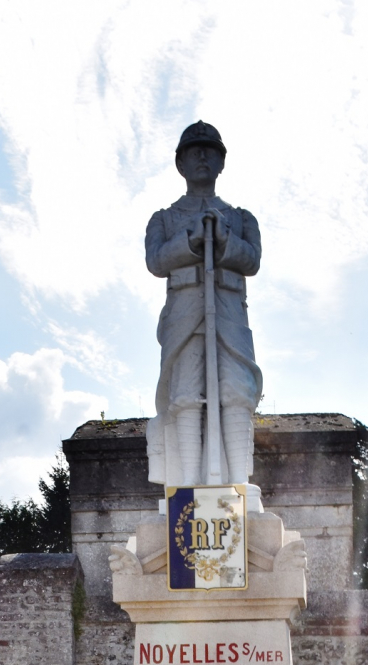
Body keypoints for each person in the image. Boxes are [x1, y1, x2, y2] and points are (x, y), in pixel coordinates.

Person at [145, 121, 263, 487]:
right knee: (184, 395)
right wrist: (191, 239)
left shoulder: (241, 218)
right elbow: (156, 261)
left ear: (221, 162)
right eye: (193, 151)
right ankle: (189, 483)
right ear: (180, 164)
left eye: (209, 151)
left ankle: (238, 485)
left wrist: (224, 238)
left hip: (228, 315)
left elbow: (253, 261)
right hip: (183, 316)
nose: (201, 156)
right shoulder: (164, 219)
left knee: (237, 392)